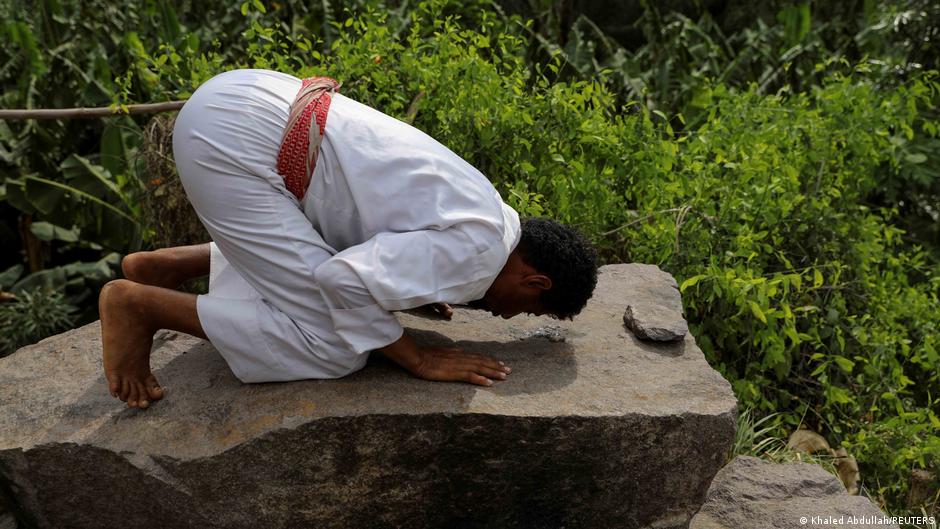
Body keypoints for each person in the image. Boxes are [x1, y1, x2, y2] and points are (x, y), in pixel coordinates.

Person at [99, 69, 597, 410]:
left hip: (245, 99)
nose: (507, 317)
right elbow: (340, 278)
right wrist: (417, 357)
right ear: (535, 279)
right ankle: (140, 306)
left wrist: (413, 294)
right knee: (336, 346)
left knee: (339, 301)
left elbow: (364, 234)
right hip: (234, 146)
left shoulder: (493, 214)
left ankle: (172, 266)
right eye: (526, 309)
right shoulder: (479, 255)